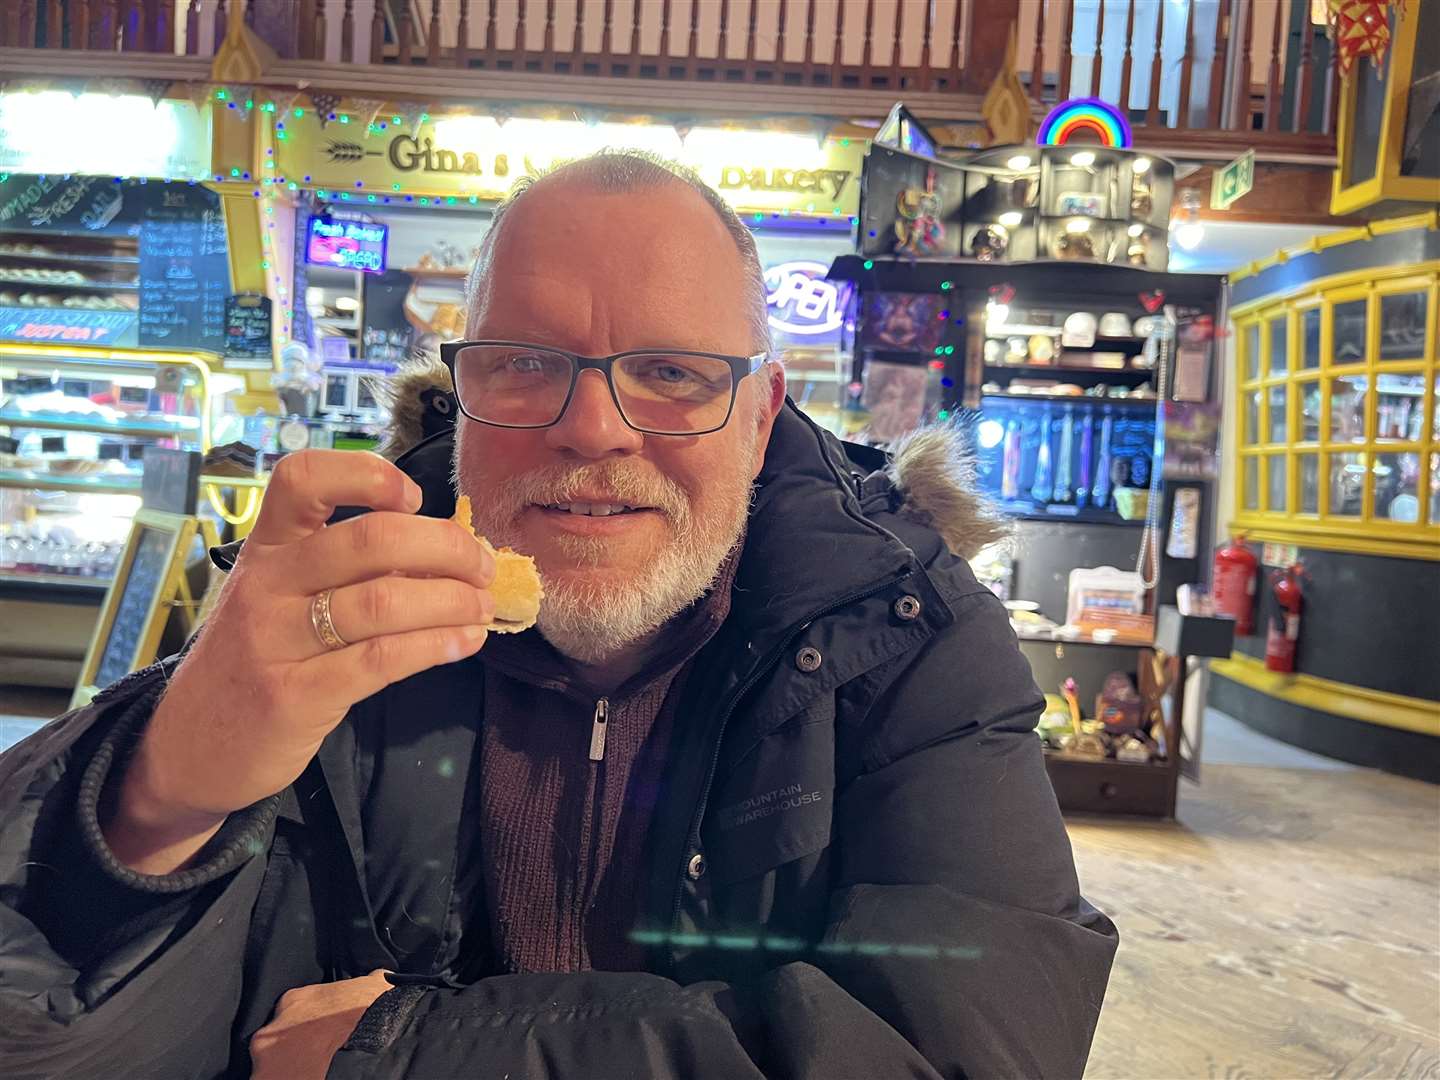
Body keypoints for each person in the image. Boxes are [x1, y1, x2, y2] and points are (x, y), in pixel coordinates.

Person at [0, 151, 1117, 1080]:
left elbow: (968, 1046)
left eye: (673, 373)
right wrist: (155, 804)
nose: (592, 430)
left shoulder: (911, 637)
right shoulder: (326, 612)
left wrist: (411, 1058)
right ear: (464, 396)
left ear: (761, 408)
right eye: (527, 363)